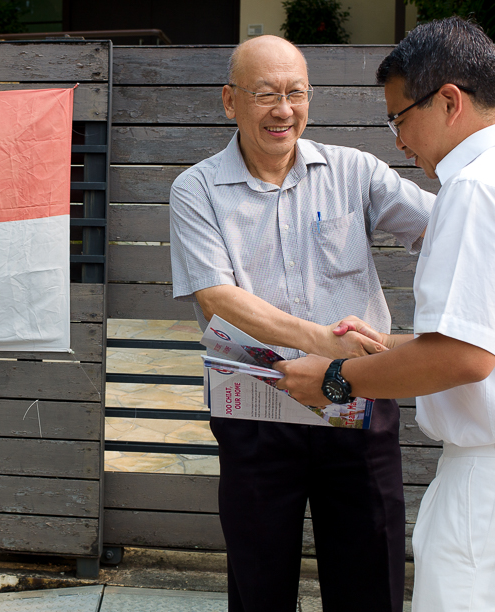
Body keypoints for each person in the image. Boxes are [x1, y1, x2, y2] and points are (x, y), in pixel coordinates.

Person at [275, 17, 495, 611]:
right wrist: (388, 348)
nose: (398, 140)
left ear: (449, 101)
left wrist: (336, 379)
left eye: (399, 118)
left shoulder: (480, 187)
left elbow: (463, 355)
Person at [168, 35, 434, 612]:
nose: (282, 110)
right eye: (264, 94)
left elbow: (441, 229)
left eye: (295, 93)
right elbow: (219, 298)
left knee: (371, 577)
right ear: (229, 101)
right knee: (260, 584)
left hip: (356, 400)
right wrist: (325, 342)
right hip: (258, 407)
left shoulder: (355, 171)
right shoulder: (197, 189)